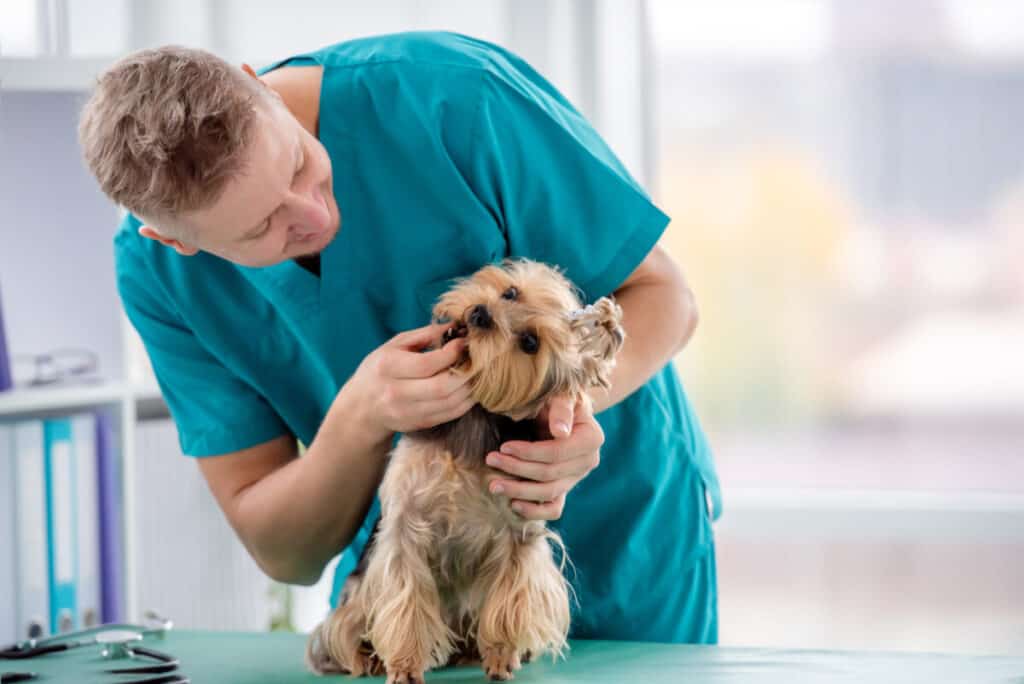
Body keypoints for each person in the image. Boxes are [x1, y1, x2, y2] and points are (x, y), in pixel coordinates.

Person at [79, 31, 722, 643]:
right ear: (175, 241)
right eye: (262, 227)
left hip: (624, 541)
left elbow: (668, 297)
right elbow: (283, 552)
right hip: (417, 585)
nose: (314, 212)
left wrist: (564, 418)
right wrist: (360, 417)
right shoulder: (161, 278)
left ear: (260, 88)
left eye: (299, 162)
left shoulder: (456, 98)